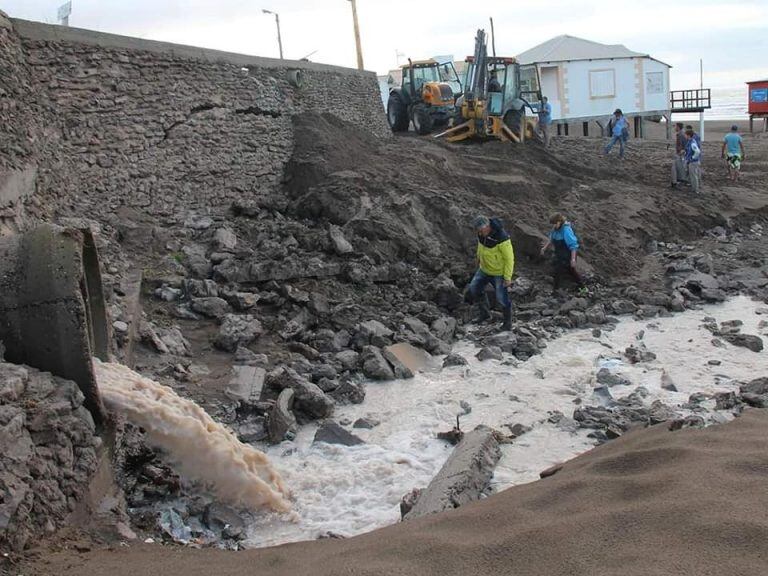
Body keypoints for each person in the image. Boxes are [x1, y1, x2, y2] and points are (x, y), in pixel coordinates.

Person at [468, 216, 515, 331]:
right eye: (478, 230)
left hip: (499, 273)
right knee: (474, 288)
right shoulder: (481, 234)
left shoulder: (502, 237)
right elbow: (480, 246)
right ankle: (485, 314)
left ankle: (507, 323)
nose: (479, 232)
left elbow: (509, 259)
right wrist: (478, 258)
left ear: (487, 226)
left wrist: (507, 278)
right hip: (484, 269)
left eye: (480, 230)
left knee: (502, 298)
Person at [540, 213, 586, 295]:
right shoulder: (555, 229)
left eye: (555, 224)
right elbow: (551, 238)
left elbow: (573, 245)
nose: (554, 226)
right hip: (559, 253)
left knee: (570, 269)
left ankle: (582, 288)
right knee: (557, 269)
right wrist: (545, 247)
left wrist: (572, 259)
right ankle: (556, 290)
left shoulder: (566, 230)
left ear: (559, 221)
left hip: (568, 253)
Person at [670, 122, 688, 188]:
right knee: (678, 167)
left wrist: (681, 151)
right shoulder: (681, 134)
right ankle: (676, 181)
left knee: (675, 167)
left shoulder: (681, 134)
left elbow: (683, 145)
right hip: (680, 153)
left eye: (676, 126)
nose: (675, 128)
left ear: (678, 127)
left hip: (680, 154)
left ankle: (674, 182)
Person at [684, 128, 702, 193]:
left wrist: (692, 158)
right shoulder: (691, 141)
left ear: (688, 135)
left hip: (693, 162)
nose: (685, 136)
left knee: (693, 176)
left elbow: (697, 151)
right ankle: (694, 188)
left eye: (685, 135)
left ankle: (696, 190)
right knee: (692, 175)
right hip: (692, 161)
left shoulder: (692, 143)